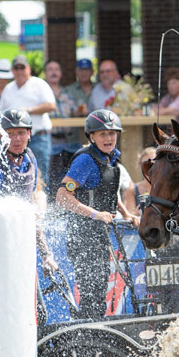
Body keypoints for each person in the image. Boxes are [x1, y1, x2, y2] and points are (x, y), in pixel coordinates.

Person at [56, 109, 137, 319]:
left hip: (98, 236)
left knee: (99, 290)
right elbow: (62, 196)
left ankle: (95, 333)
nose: (108, 138)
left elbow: (107, 192)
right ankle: (87, 339)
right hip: (82, 237)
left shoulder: (111, 160)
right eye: (102, 134)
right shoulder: (86, 161)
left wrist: (126, 213)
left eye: (112, 133)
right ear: (91, 137)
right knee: (92, 294)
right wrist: (95, 214)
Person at [0, 109, 57, 272]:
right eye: (10, 133)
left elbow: (33, 212)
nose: (16, 139)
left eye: (21, 133)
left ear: (29, 134)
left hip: (20, 238)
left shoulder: (30, 159)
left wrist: (46, 255)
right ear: (1, 136)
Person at [0, 54, 57, 181]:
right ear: (12, 71)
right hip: (14, 139)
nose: (19, 71)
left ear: (28, 68)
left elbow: (51, 105)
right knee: (16, 175)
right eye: (16, 68)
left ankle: (41, 200)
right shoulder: (9, 88)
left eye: (22, 67)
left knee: (41, 176)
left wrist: (29, 110)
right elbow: (1, 113)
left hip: (38, 137)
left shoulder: (39, 84)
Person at [45, 60, 81, 194]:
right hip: (51, 141)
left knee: (67, 177)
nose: (54, 72)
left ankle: (67, 199)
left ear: (60, 74)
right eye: (50, 69)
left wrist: (80, 112)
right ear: (46, 73)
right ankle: (53, 201)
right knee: (52, 177)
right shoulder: (42, 91)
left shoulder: (67, 93)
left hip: (68, 141)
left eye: (56, 69)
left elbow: (74, 111)